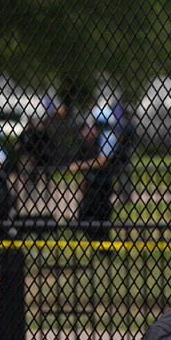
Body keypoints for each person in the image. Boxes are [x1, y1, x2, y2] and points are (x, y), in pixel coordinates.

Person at [65, 103, 123, 241]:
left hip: (103, 185)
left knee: (101, 218)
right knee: (84, 215)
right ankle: (94, 242)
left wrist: (80, 166)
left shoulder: (108, 137)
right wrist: (84, 180)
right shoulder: (99, 137)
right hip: (93, 184)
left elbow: (103, 161)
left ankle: (103, 248)